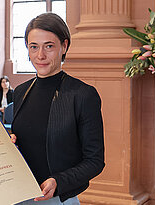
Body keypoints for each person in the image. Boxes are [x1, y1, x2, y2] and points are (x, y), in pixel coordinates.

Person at [10, 13, 105, 204]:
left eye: (49, 46)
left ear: (64, 46)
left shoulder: (83, 95)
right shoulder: (20, 92)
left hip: (58, 198)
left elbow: (94, 161)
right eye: (33, 47)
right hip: (18, 195)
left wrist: (59, 182)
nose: (40, 55)